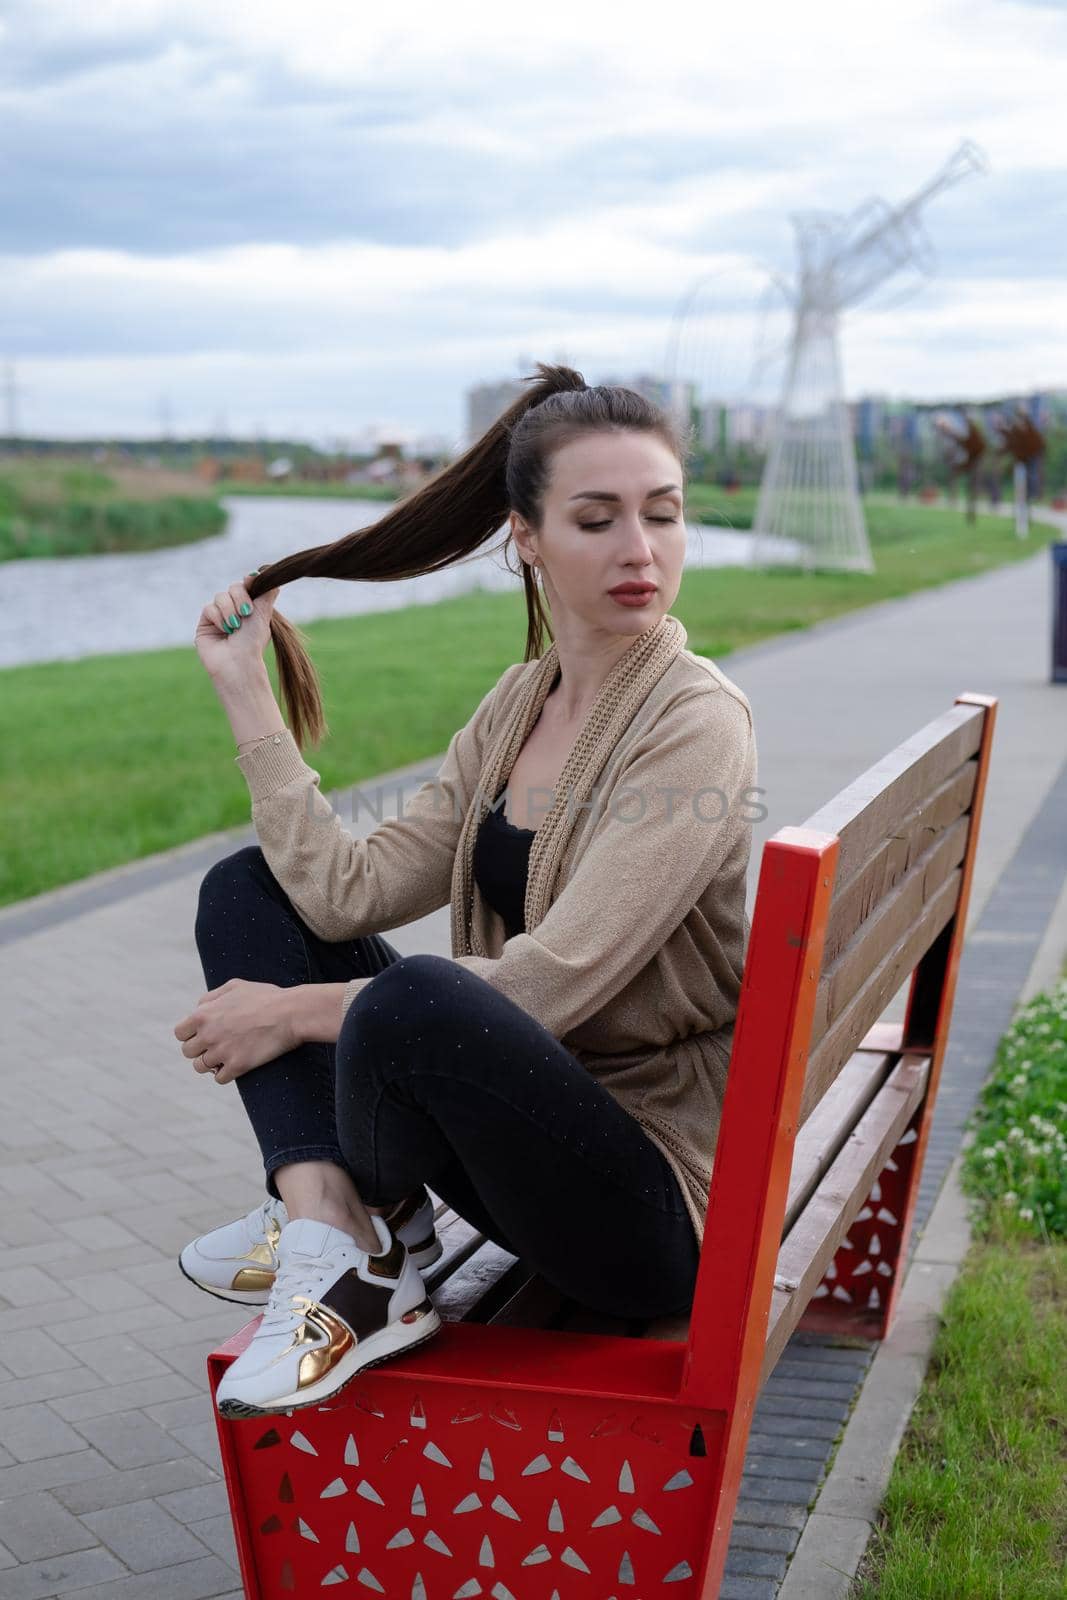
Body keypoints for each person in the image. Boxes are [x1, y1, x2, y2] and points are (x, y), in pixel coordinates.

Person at [173, 363, 759, 1420]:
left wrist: (287, 1013)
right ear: (524, 538)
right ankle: (332, 1228)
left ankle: (355, 1243)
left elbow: (539, 989)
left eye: (662, 515)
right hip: (521, 1140)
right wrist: (245, 697)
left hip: (650, 1206)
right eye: (597, 518)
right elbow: (344, 893)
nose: (640, 548)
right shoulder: (518, 703)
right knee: (246, 893)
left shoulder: (694, 723)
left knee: (425, 1000)